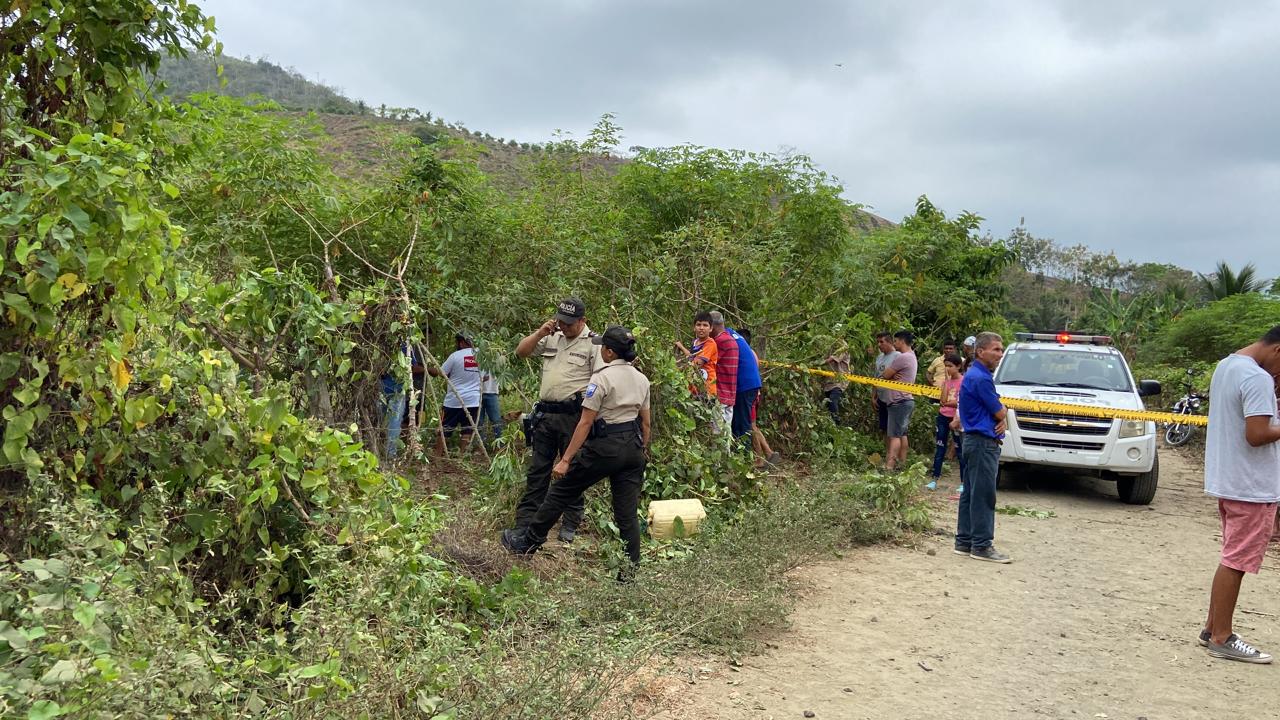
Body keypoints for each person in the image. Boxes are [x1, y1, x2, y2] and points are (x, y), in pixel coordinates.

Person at [501, 326, 651, 577]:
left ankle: (528, 541)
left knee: (561, 491)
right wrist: (642, 450)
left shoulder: (601, 378)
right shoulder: (641, 379)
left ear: (610, 352)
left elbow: (585, 422)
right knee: (627, 515)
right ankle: (630, 572)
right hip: (632, 447)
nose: (600, 350)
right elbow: (646, 423)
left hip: (604, 447)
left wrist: (566, 459)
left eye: (603, 346)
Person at [1197, 325, 1280, 663]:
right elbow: (1257, 434)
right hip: (1251, 486)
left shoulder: (1228, 365)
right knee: (1236, 562)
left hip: (1231, 479)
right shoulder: (1256, 378)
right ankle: (1222, 636)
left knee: (1232, 556)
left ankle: (1212, 627)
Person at [512, 297, 603, 543]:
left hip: (574, 416)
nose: (564, 326)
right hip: (545, 415)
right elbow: (521, 352)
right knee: (538, 470)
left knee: (572, 470)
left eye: (570, 323)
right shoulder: (552, 336)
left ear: (583, 321)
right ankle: (525, 522)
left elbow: (602, 381)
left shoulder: (594, 343)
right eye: (561, 321)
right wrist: (540, 331)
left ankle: (570, 522)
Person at [954, 331, 1011, 563]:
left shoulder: (974, 375)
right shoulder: (981, 378)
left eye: (1001, 349)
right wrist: (1003, 414)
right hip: (982, 443)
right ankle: (981, 545)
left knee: (970, 492)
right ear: (980, 351)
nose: (1000, 354)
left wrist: (1001, 414)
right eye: (996, 349)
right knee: (984, 495)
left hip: (972, 441)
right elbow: (998, 410)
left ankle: (964, 541)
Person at [429, 334, 482, 455]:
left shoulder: (455, 356)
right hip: (473, 400)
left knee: (445, 429)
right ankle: (462, 457)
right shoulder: (481, 355)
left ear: (462, 342)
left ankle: (438, 455)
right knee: (467, 430)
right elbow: (485, 377)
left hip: (454, 400)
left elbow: (441, 373)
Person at [880, 331, 918, 471]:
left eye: (895, 341)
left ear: (902, 341)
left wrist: (891, 374)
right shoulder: (912, 356)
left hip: (898, 400)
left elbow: (886, 374)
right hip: (906, 399)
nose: (894, 344)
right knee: (902, 434)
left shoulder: (903, 357)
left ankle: (889, 466)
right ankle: (902, 464)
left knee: (894, 435)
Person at [929, 353, 965, 490]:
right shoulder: (947, 382)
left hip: (956, 418)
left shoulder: (964, 381)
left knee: (960, 450)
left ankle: (963, 482)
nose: (948, 369)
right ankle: (934, 479)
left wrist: (950, 403)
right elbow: (943, 401)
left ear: (958, 366)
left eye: (950, 366)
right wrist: (945, 384)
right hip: (943, 417)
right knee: (939, 448)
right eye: (946, 366)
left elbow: (961, 402)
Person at [726, 325, 762, 443]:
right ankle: (764, 455)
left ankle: (754, 455)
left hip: (746, 389)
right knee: (749, 423)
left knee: (747, 424)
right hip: (752, 389)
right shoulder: (749, 352)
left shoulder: (747, 352)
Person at [674, 310, 718, 398]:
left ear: (711, 328)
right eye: (698, 325)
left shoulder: (710, 344)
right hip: (694, 389)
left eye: (705, 325)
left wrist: (677, 368)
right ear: (694, 328)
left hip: (707, 390)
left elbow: (697, 363)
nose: (701, 328)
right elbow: (691, 357)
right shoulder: (695, 342)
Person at [872, 332, 900, 464]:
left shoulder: (898, 357)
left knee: (894, 431)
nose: (879, 345)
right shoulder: (879, 358)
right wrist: (874, 396)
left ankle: (894, 458)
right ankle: (888, 454)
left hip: (894, 399)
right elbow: (875, 378)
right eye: (878, 342)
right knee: (884, 428)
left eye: (882, 342)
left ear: (889, 342)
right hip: (881, 398)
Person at [708, 311, 738, 430]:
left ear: (712, 326)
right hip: (729, 395)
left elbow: (704, 362)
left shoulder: (719, 342)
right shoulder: (730, 339)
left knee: (717, 435)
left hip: (720, 396)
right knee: (725, 436)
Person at [823, 340, 851, 424]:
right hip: (829, 380)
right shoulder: (829, 343)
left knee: (832, 399)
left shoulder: (843, 346)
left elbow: (831, 359)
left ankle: (837, 423)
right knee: (828, 403)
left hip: (840, 380)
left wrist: (816, 363)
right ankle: (831, 425)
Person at [479, 367, 504, 445]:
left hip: (492, 392)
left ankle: (500, 445)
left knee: (496, 420)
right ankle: (480, 446)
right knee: (479, 421)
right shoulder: (474, 357)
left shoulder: (497, 358)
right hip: (477, 392)